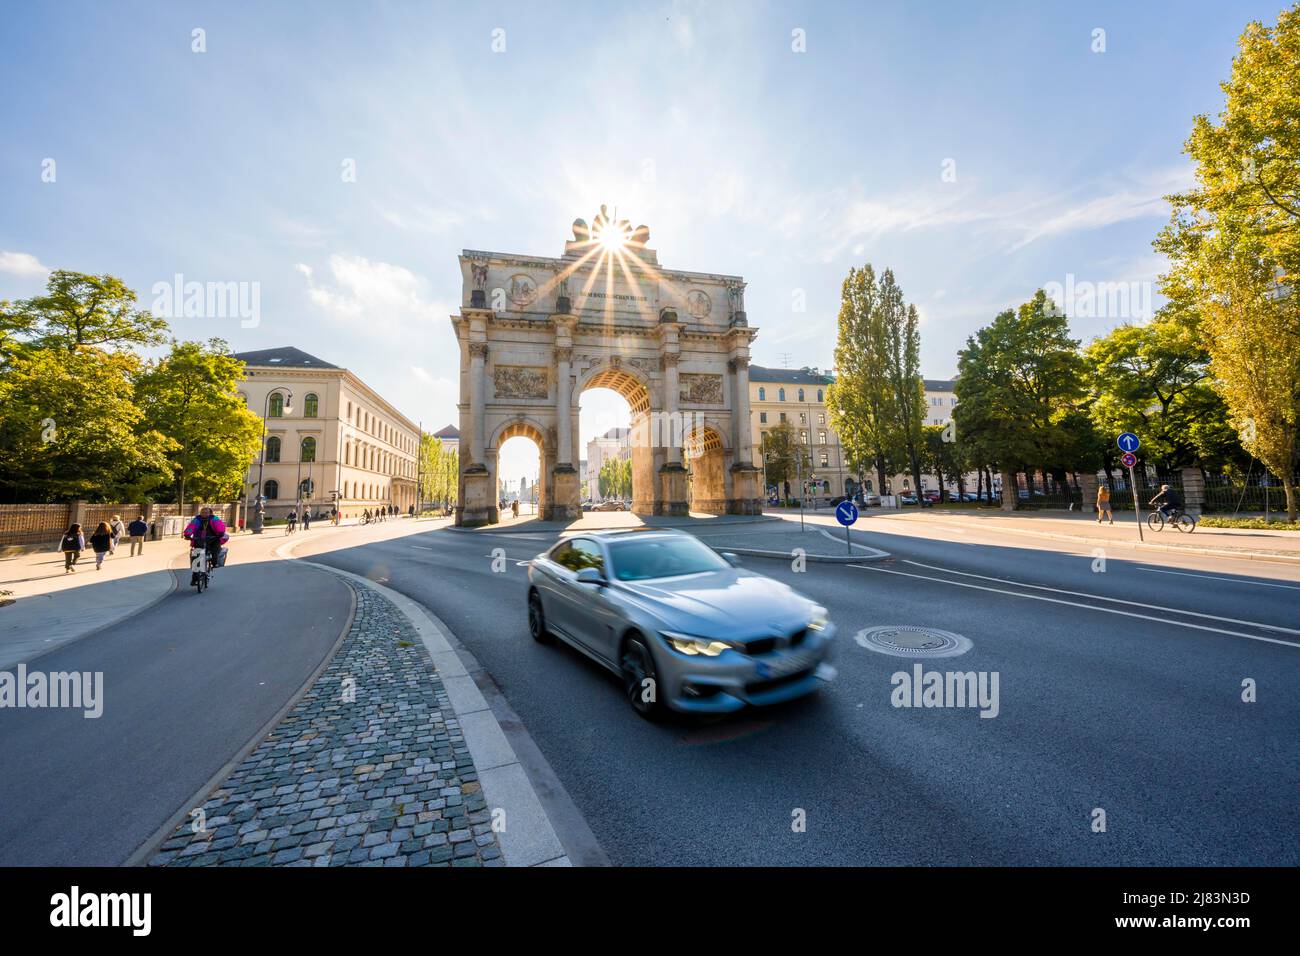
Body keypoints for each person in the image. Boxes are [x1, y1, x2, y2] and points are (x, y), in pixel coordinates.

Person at [183, 507, 229, 584]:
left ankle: (215, 563)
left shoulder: (214, 519)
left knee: (215, 550)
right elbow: (191, 527)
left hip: (213, 539)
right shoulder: (197, 519)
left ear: (210, 513)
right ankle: (194, 578)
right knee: (196, 559)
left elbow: (220, 526)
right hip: (199, 539)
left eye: (206, 512)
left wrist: (220, 533)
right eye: (202, 512)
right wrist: (187, 534)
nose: (204, 514)